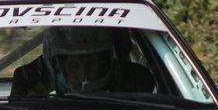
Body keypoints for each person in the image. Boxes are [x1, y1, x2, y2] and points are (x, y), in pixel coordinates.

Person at [11, 27, 155, 97]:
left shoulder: (135, 88)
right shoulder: (28, 91)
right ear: (55, 66)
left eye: (90, 64)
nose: (83, 74)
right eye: (73, 66)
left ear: (104, 63)